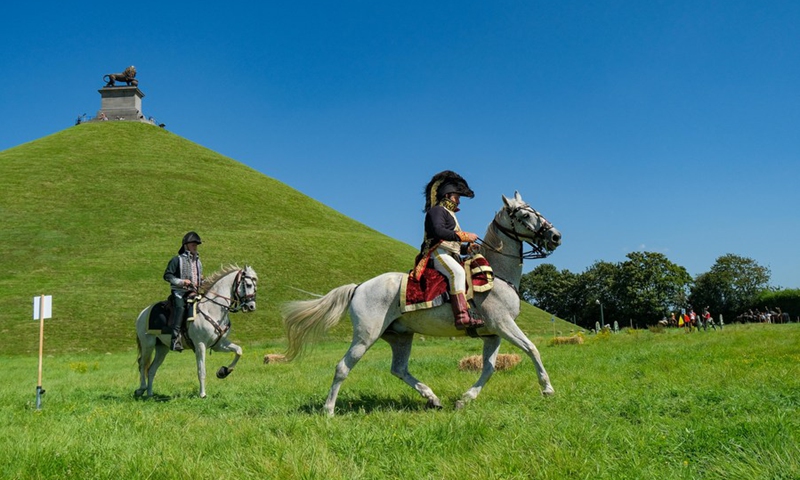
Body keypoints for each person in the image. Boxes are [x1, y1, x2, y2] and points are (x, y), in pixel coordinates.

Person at [413, 170, 483, 329]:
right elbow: (438, 232)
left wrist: (467, 248)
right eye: (457, 197)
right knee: (457, 273)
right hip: (437, 254)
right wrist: (465, 236)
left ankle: (471, 310)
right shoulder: (437, 211)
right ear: (448, 196)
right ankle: (461, 317)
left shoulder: (451, 215)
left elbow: (453, 243)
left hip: (450, 254)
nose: (459, 201)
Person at [163, 231, 204, 351]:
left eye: (196, 245)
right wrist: (182, 282)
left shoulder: (198, 262)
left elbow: (198, 277)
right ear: (186, 245)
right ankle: (175, 339)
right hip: (179, 293)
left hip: (194, 292)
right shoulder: (177, 260)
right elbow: (167, 276)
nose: (195, 246)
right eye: (192, 244)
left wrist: (202, 281)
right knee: (180, 308)